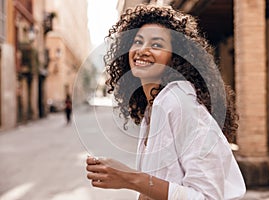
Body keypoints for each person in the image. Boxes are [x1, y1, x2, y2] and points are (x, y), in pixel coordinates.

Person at [86, 4, 246, 200]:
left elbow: (207, 197)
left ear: (176, 58)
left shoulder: (178, 103)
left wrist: (128, 178)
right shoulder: (153, 108)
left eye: (156, 45)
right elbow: (161, 185)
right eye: (137, 41)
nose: (142, 50)